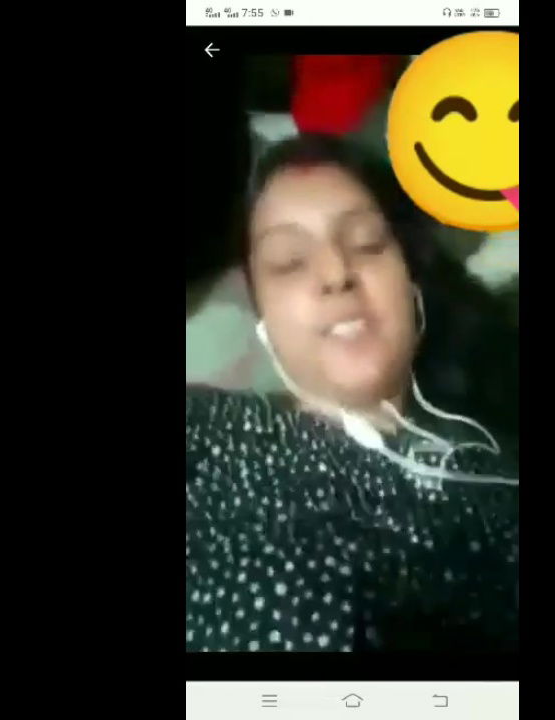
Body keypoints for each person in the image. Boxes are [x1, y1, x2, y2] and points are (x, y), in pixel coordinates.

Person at [186, 134, 518, 652]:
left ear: (410, 280)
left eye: (366, 244)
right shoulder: (204, 429)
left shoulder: (497, 478)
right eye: (289, 262)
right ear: (262, 316)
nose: (337, 274)